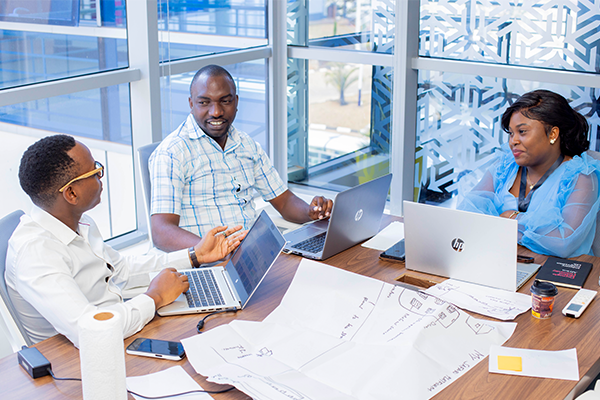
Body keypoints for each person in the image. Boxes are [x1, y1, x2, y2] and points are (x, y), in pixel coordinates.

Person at [5, 135, 246, 347]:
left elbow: (121, 271)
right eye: (95, 172)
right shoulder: (36, 253)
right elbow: (89, 331)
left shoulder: (80, 222)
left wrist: (195, 256)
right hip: (76, 363)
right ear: (71, 193)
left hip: (119, 328)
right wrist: (156, 297)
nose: (101, 177)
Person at [149, 64, 334, 252]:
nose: (216, 112)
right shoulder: (172, 153)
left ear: (236, 102)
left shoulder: (247, 145)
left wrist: (312, 212)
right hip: (208, 262)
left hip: (252, 254)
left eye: (225, 101)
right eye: (204, 102)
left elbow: (284, 202)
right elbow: (161, 232)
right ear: (191, 104)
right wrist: (213, 250)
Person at [458, 89, 600, 258]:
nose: (513, 141)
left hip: (557, 274)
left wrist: (510, 217)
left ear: (553, 134)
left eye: (522, 131)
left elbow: (563, 242)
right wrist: (532, 232)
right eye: (511, 133)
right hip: (502, 261)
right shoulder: (505, 167)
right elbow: (467, 215)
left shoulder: (581, 176)